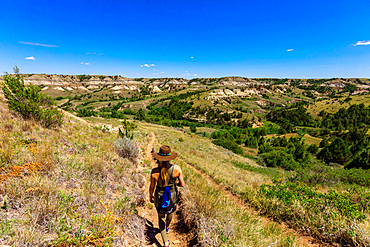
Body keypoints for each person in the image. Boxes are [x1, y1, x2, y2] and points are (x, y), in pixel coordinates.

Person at [149, 145, 185, 247]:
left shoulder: (155, 172)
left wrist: (150, 196)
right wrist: (175, 184)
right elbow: (182, 184)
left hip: (159, 196)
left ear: (159, 157)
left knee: (161, 217)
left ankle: (165, 243)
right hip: (172, 195)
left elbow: (152, 187)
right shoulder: (177, 169)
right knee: (170, 213)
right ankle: (167, 227)